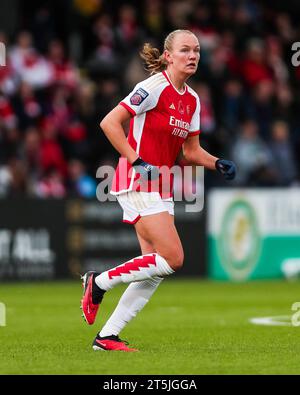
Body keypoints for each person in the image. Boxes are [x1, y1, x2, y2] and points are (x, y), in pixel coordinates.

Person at [80, 29, 236, 352]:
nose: (192, 56)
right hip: (137, 180)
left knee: (154, 267)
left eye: (196, 51)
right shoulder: (152, 87)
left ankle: (106, 337)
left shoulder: (192, 100)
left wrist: (217, 162)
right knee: (173, 258)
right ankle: (98, 282)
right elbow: (109, 122)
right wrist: (135, 160)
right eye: (184, 50)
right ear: (168, 56)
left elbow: (190, 152)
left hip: (161, 185)